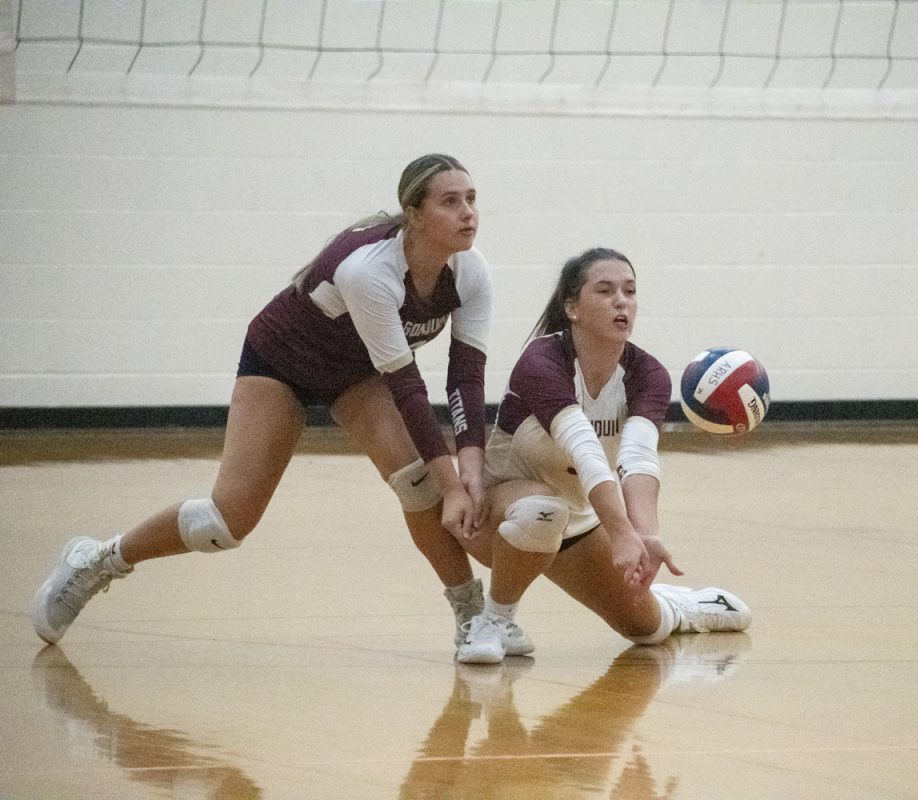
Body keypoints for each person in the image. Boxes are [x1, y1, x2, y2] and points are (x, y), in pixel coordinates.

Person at [32, 153, 527, 654]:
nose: (468, 212)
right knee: (224, 525)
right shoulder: (369, 272)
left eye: (471, 199)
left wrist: (469, 468)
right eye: (450, 201)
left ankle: (473, 617)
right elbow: (409, 387)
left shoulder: (471, 271)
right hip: (282, 364)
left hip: (356, 373)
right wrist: (455, 487)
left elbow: (466, 376)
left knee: (417, 481)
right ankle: (98, 560)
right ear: (414, 214)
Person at [453, 247, 751, 665]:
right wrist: (621, 531)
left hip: (580, 514)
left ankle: (680, 606)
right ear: (572, 307)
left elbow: (639, 458)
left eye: (630, 291)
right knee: (541, 509)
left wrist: (645, 535)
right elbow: (585, 449)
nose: (622, 301)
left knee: (646, 630)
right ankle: (495, 621)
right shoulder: (542, 361)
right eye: (605, 290)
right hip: (501, 509)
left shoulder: (648, 375)